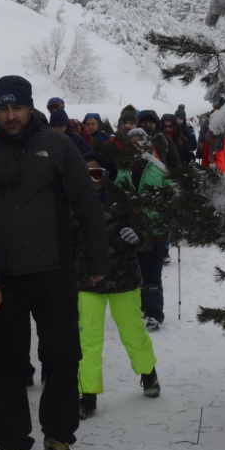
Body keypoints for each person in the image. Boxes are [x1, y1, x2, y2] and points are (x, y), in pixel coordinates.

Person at [0, 75, 106, 450]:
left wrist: (95, 259)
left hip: (53, 272)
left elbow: (87, 205)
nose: (10, 116)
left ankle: (59, 438)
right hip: (0, 279)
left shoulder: (56, 146)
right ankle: (14, 446)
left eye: (17, 107)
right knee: (7, 365)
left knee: (61, 357)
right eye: (2, 109)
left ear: (30, 107)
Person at [78, 151, 160, 419]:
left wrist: (138, 237)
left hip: (123, 278)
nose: (92, 180)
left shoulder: (123, 200)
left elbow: (148, 237)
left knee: (133, 332)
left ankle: (148, 375)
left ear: (107, 173)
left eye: (97, 173)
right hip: (88, 281)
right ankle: (87, 394)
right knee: (88, 339)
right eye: (85, 173)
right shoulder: (72, 200)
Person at [118, 129, 173, 331]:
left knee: (152, 272)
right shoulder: (124, 170)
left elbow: (170, 192)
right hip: (130, 229)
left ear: (147, 143)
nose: (136, 144)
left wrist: (169, 212)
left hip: (154, 229)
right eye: (132, 141)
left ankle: (154, 313)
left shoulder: (158, 168)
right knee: (137, 270)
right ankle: (143, 306)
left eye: (140, 140)